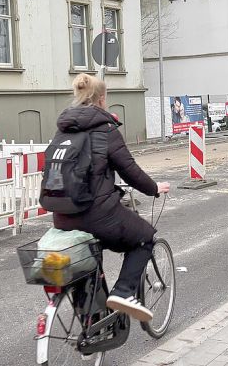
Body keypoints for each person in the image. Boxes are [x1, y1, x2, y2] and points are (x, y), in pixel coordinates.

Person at [53, 73, 170, 322]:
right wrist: (154, 188)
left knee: (88, 264)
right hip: (97, 214)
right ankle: (123, 292)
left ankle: (94, 325)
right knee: (145, 237)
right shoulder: (105, 129)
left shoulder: (63, 130)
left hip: (62, 216)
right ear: (102, 99)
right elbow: (130, 171)